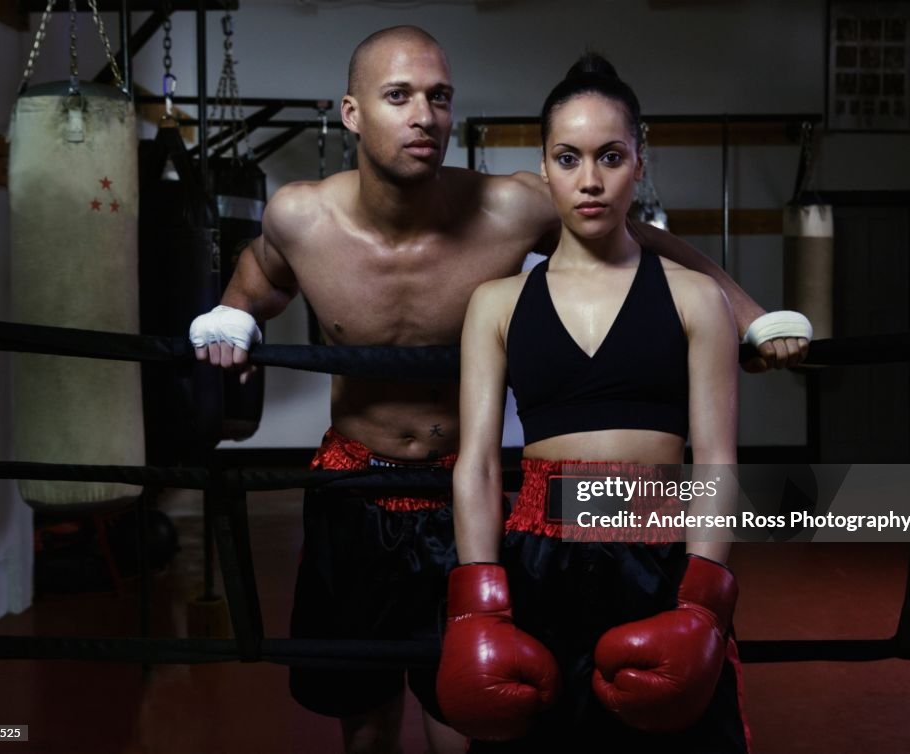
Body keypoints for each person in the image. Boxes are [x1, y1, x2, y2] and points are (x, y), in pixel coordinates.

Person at [189, 26, 798, 754]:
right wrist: (231, 317)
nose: (424, 114)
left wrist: (752, 318)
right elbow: (260, 274)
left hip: (462, 496)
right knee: (364, 719)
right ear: (352, 112)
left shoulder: (515, 208)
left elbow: (650, 246)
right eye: (399, 96)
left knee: (472, 727)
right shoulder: (301, 216)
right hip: (353, 488)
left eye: (439, 97)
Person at [436, 53, 749, 753]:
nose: (590, 180)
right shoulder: (496, 303)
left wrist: (702, 603)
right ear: (543, 168)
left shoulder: (696, 298)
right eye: (568, 158)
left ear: (640, 160)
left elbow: (719, 462)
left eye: (610, 156)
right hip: (537, 564)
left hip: (661, 560)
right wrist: (478, 606)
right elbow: (478, 466)